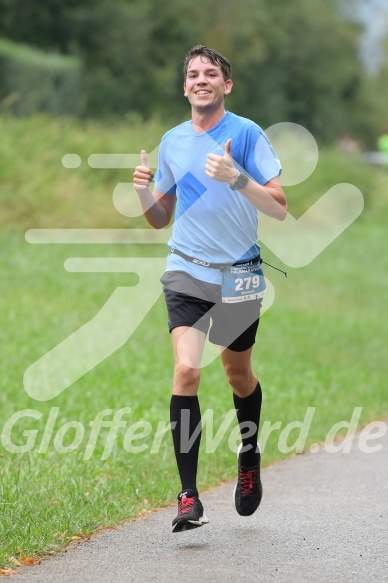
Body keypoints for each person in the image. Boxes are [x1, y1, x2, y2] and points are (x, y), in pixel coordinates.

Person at [133, 45, 287, 533]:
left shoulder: (246, 134)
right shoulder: (173, 141)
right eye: (193, 74)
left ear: (227, 85)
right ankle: (188, 496)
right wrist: (143, 191)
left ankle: (248, 454)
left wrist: (238, 178)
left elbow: (280, 206)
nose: (202, 80)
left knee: (238, 375)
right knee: (186, 369)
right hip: (186, 269)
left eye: (211, 73)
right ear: (185, 87)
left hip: (239, 274)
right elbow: (160, 219)